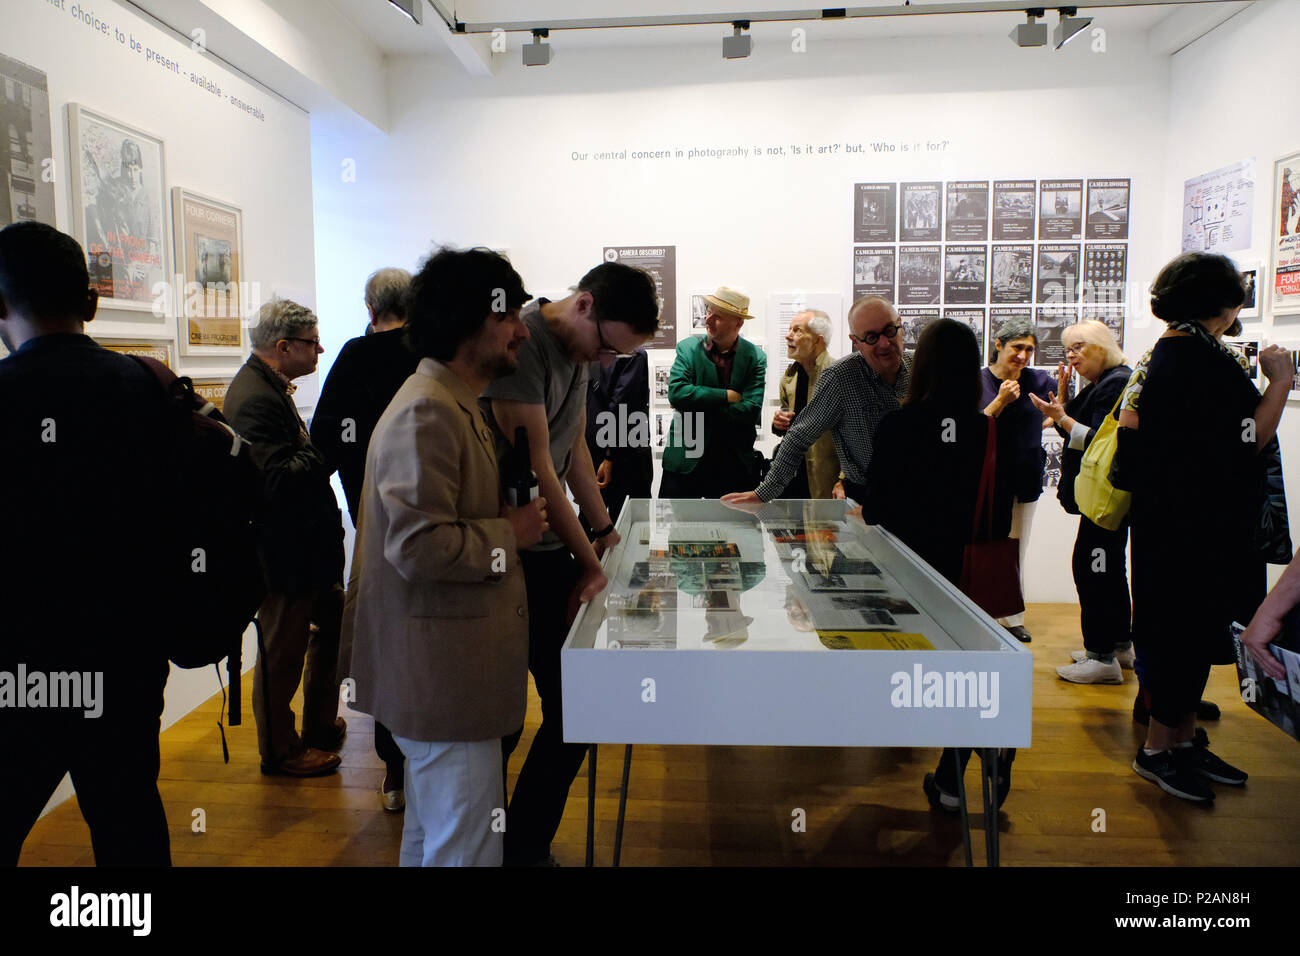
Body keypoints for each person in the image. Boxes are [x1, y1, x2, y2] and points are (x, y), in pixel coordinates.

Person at [340, 247, 548, 866]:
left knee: (434, 835)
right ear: (467, 319)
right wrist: (510, 532)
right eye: (508, 314)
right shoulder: (428, 409)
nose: (521, 329)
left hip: (444, 676)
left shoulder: (451, 401)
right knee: (468, 845)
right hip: (441, 678)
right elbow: (419, 546)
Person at [0, 222, 174, 865]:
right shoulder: (150, 388)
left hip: (20, 664)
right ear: (93, 302)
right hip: (126, 652)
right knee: (129, 821)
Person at [485, 261, 660, 866]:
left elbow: (575, 448)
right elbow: (540, 472)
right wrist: (592, 560)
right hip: (514, 559)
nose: (608, 363)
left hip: (552, 549)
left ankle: (520, 843)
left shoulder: (579, 356)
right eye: (609, 348)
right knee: (513, 719)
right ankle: (491, 838)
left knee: (572, 711)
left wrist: (605, 532)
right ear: (584, 305)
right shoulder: (527, 347)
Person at [1127, 252, 1290, 802]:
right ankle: (1158, 750)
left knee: (1186, 634)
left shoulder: (1173, 353)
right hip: (1193, 533)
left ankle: (1179, 742)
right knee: (1182, 635)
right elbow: (1250, 440)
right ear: (1225, 303)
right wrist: (1281, 382)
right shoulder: (1199, 360)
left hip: (1174, 527)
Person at [858, 319, 1014, 813]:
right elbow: (1000, 513)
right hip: (966, 574)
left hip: (909, 575)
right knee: (965, 673)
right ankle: (953, 778)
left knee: (915, 673)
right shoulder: (986, 427)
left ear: (920, 364)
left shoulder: (899, 425)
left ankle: (929, 757)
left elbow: (878, 509)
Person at [311, 266, 417, 812]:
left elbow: (324, 438)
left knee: (384, 643)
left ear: (369, 307)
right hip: (434, 518)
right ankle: (431, 764)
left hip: (374, 523)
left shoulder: (354, 356)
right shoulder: (429, 354)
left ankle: (395, 772)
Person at [226, 299, 345, 778]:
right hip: (283, 550)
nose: (320, 349)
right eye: (312, 342)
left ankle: (317, 727)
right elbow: (274, 479)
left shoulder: (267, 386)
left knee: (327, 628)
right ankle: (279, 750)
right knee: (282, 651)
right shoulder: (255, 397)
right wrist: (325, 451)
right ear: (283, 346)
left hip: (305, 547)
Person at [722, 296, 911, 508]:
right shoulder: (837, 377)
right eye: (871, 337)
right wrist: (764, 492)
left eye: (890, 331)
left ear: (901, 325)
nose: (885, 343)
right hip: (865, 502)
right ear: (855, 341)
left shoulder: (923, 369)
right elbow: (798, 436)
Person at [1028, 321, 1134, 684]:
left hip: (1103, 498)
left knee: (1093, 570)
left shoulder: (1115, 383)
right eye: (1068, 349)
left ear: (1102, 345)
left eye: (1079, 347)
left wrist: (1060, 416)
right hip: (1105, 499)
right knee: (1107, 568)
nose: (1071, 356)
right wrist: (1061, 413)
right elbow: (1082, 432)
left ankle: (1101, 656)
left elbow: (1099, 442)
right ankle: (1119, 645)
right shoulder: (1109, 381)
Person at [980, 316, 1057, 642]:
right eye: (1017, 348)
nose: (1023, 356)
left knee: (1017, 547)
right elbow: (975, 426)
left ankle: (1013, 616)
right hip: (986, 479)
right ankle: (981, 611)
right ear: (998, 344)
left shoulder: (1039, 380)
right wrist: (1001, 401)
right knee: (986, 547)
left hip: (1024, 475)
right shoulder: (979, 381)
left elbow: (1048, 417)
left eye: (1029, 349)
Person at [659, 286, 766, 499]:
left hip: (733, 463)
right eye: (708, 312)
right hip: (685, 459)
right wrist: (726, 396)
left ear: (738, 322)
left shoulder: (755, 357)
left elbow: (750, 411)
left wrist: (695, 404)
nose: (707, 319)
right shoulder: (688, 348)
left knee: (734, 530)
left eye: (717, 316)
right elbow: (677, 393)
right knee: (680, 531)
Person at [771, 310, 840, 499]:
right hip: (792, 475)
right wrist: (778, 423)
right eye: (789, 329)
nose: (788, 335)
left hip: (825, 477)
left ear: (818, 340)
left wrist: (843, 480)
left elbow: (854, 434)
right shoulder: (790, 376)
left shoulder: (837, 376)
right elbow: (792, 427)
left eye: (797, 330)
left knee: (823, 528)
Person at [584, 347, 652, 525]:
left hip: (592, 446)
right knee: (630, 522)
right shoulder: (634, 353)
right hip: (624, 453)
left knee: (592, 515)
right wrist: (609, 456)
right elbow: (622, 406)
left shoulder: (590, 349)